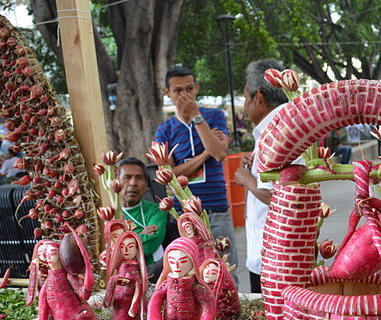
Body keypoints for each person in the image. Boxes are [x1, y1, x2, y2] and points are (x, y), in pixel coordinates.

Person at [154, 66, 238, 274]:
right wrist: (204, 154)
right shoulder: (164, 130)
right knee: (193, 275)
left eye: (189, 88)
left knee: (226, 272)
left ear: (197, 88)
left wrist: (196, 117)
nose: (185, 95)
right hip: (185, 216)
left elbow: (219, 153)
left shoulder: (215, 116)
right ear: (167, 93)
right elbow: (168, 174)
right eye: (178, 90)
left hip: (217, 211)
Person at [234, 58, 293, 293]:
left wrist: (246, 179)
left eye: (245, 98)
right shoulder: (274, 129)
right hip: (268, 253)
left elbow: (281, 193)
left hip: (275, 257)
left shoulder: (282, 130)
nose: (245, 107)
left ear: (257, 96)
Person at [117, 157, 167, 271]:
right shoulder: (110, 213)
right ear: (116, 182)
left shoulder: (157, 210)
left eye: (139, 178)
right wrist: (142, 235)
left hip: (152, 273)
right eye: (127, 177)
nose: (133, 183)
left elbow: (149, 247)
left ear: (146, 185)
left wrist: (122, 244)